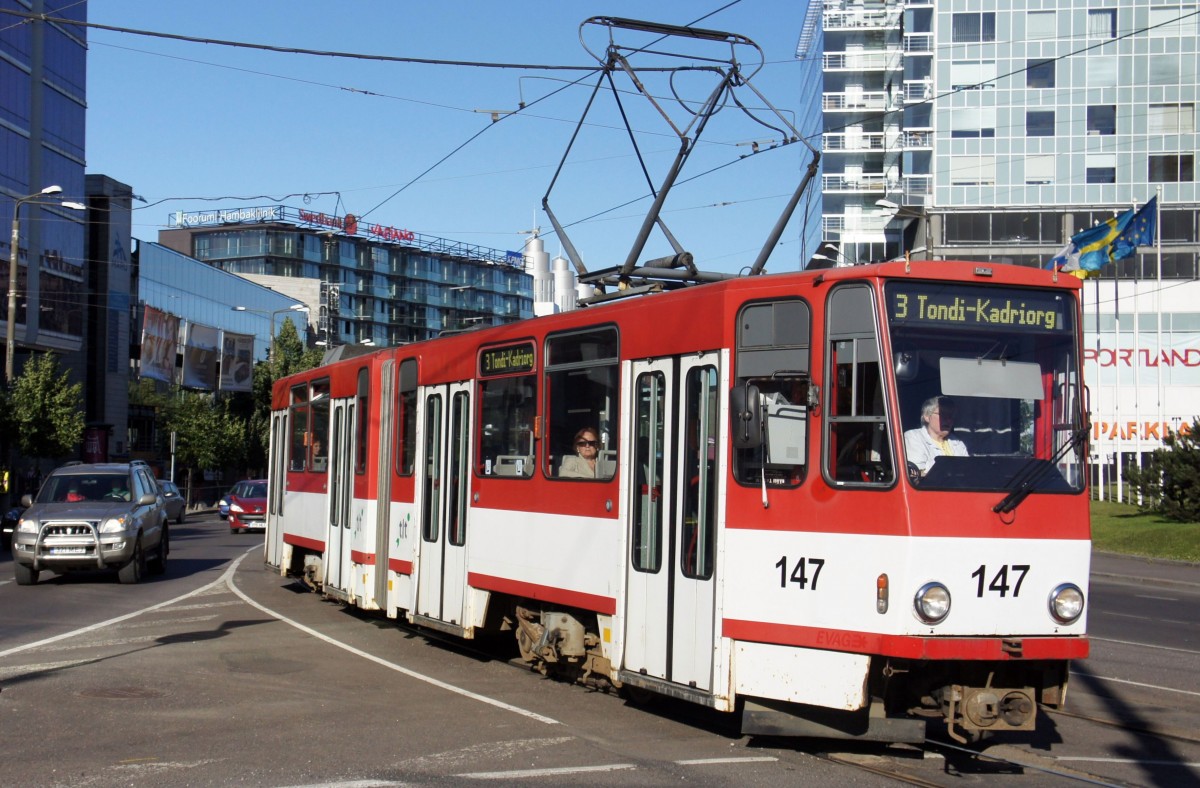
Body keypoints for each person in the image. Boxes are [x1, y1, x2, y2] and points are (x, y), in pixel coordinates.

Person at [904, 396, 968, 475]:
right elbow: (916, 474)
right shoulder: (914, 437)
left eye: (951, 416)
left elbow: (967, 472)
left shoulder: (957, 442)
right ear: (927, 417)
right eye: (943, 415)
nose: (948, 420)